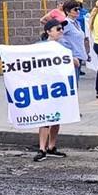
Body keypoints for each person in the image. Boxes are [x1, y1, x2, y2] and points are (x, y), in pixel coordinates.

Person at [34, 19, 76, 162]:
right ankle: (41, 148)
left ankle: (51, 146)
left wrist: (70, 58)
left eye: (61, 29)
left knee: (57, 117)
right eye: (58, 29)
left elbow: (76, 62)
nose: (61, 31)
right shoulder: (40, 47)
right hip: (45, 87)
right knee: (45, 117)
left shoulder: (64, 45)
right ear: (48, 32)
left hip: (60, 87)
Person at [61, 0, 89, 78]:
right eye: (75, 9)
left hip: (79, 56)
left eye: (79, 9)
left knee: (75, 83)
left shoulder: (77, 23)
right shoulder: (66, 23)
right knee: (73, 84)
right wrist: (69, 52)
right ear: (67, 11)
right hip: (72, 58)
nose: (78, 11)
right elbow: (59, 38)